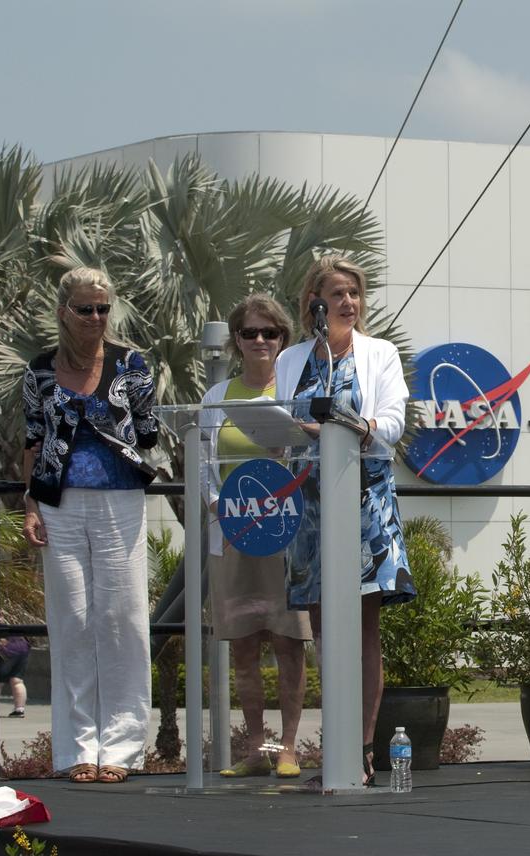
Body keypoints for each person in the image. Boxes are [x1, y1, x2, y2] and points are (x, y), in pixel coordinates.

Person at [275, 254, 414, 787]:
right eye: (337, 294)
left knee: (362, 628)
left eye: (355, 293)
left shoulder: (380, 353)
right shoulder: (292, 359)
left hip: (364, 499)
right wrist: (298, 430)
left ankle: (359, 753)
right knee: (324, 630)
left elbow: (394, 421)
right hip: (309, 503)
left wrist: (362, 426)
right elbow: (287, 419)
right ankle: (332, 750)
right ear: (315, 302)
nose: (349, 303)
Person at [21, 267, 159, 785]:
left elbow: (148, 434)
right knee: (72, 622)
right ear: (64, 312)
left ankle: (121, 751)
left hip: (121, 498)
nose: (97, 318)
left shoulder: (132, 363)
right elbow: (31, 441)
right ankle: (78, 748)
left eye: (103, 308)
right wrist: (30, 504)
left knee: (122, 621)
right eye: (86, 309)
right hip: (59, 501)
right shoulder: (38, 369)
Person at [200, 294, 313, 779]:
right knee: (243, 645)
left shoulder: (295, 393)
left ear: (284, 339)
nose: (261, 341)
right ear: (236, 341)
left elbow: (313, 459)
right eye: (251, 333)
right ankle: (254, 749)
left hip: (285, 533)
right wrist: (216, 506)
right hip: (231, 533)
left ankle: (288, 748)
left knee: (289, 641)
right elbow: (203, 461)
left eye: (271, 333)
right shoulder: (215, 397)